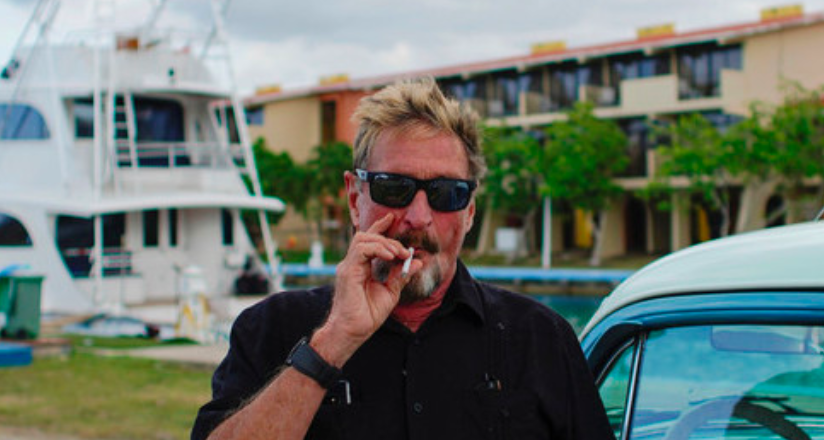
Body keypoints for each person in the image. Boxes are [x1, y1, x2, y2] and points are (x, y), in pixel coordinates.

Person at [191, 77, 614, 440]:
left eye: (446, 193)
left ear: (469, 212)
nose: (418, 217)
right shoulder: (270, 329)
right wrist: (332, 343)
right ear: (355, 199)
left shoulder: (540, 339)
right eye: (394, 188)